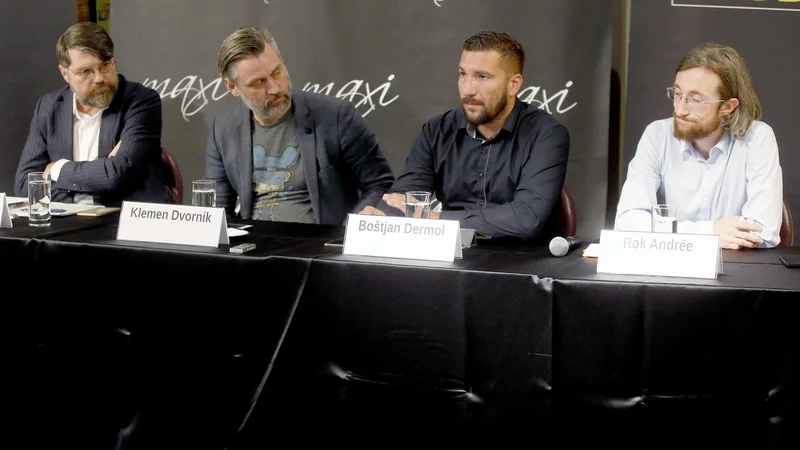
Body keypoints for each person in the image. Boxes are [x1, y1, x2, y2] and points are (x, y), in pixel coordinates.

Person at [360, 31, 570, 240]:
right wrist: (384, 216)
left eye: (482, 77)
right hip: (452, 258)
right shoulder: (436, 131)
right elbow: (405, 198)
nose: (468, 89)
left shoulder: (546, 135)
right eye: (463, 74)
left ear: (513, 84)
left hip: (524, 263)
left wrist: (436, 219)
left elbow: (526, 218)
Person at [205, 26, 395, 224]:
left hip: (321, 247)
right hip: (254, 247)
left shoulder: (337, 116)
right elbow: (217, 211)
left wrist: (353, 227)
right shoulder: (223, 130)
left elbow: (380, 185)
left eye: (277, 72)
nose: (275, 88)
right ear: (232, 87)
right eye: (258, 83)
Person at [614, 42, 783, 249]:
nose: (680, 109)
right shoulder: (657, 135)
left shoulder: (758, 138)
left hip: (736, 270)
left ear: (728, 107)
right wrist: (709, 232)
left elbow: (763, 231)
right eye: (677, 93)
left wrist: (672, 233)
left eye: (696, 100)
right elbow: (627, 222)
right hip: (673, 266)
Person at [14, 22, 169, 206]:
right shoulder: (49, 108)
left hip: (121, 223)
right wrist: (94, 180)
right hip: (65, 224)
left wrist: (56, 169)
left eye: (105, 65)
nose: (99, 78)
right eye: (85, 71)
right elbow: (25, 186)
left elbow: (115, 175)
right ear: (65, 74)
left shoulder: (141, 102)